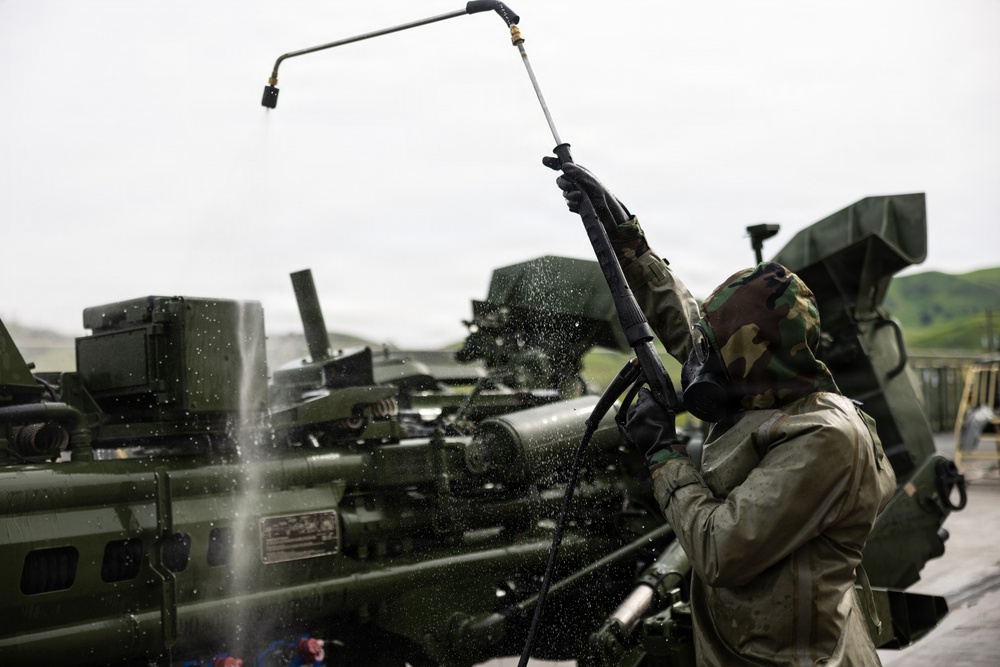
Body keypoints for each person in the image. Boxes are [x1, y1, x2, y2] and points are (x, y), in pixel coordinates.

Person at [554, 163, 897, 666]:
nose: (700, 366)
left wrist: (664, 455)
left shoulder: (825, 437)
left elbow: (720, 550)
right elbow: (688, 324)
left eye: (715, 353)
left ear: (753, 362)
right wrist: (623, 234)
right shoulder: (761, 387)